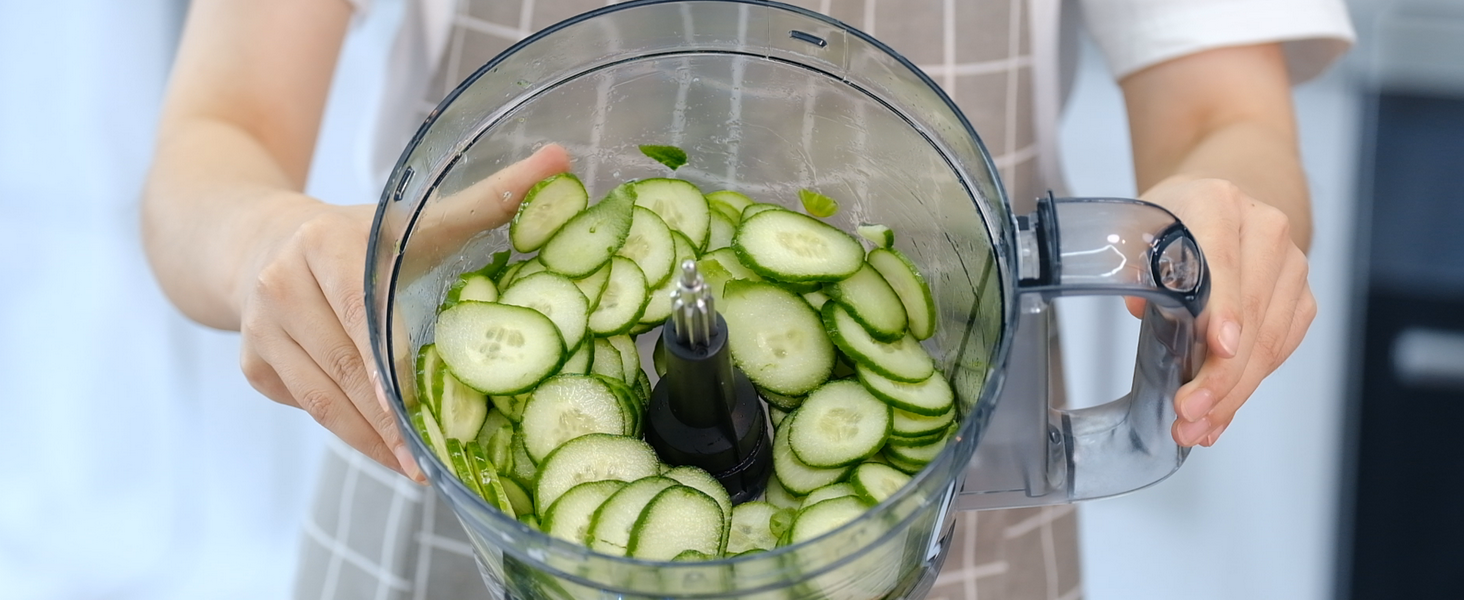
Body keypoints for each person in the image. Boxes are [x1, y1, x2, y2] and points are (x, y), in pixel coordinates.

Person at [141, 0, 1352, 597]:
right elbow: (217, 137)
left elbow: (1221, 119)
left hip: (944, 532)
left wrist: (1219, 226)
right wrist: (271, 243)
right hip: (460, 507)